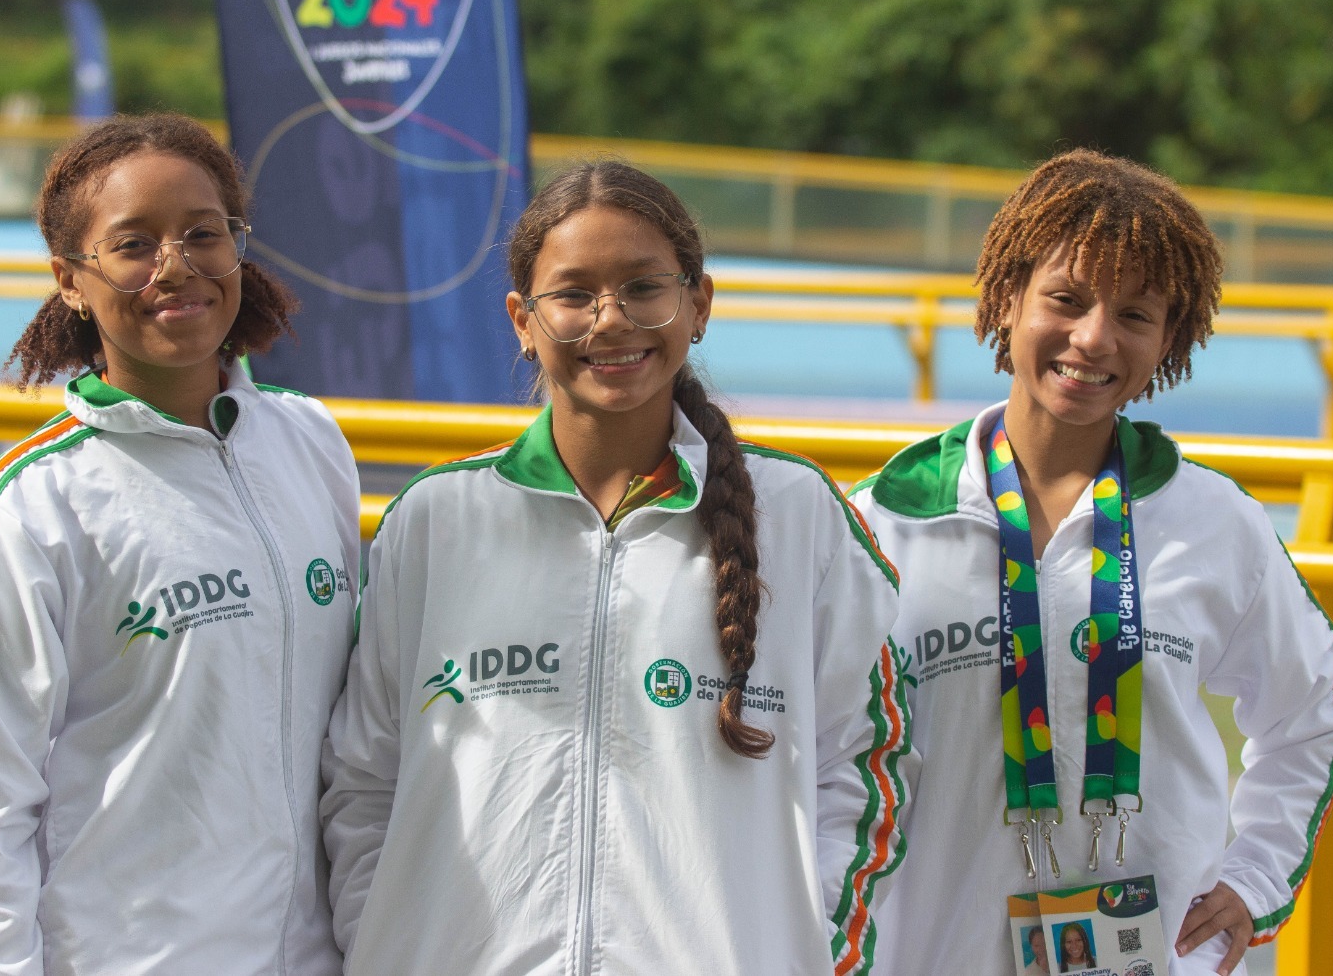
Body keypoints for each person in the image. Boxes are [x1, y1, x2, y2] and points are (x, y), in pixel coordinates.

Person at [321, 160, 909, 974]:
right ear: (522, 320)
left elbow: (868, 768)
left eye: (643, 288)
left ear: (697, 304)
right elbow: (361, 784)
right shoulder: (434, 521)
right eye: (573, 294)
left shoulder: (799, 513)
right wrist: (392, 944)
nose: (610, 321)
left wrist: (804, 952)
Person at [849, 149, 1333, 976]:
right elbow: (820, 753)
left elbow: (1311, 712)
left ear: (1170, 340)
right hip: (937, 950)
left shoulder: (1213, 522)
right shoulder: (886, 520)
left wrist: (1254, 875)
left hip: (1150, 955)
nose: (1093, 338)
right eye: (1066, 299)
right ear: (1007, 298)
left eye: (1134, 314)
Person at [0, 113, 362, 975]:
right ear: (70, 279)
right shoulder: (31, 505)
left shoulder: (311, 443)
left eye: (204, 234)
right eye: (133, 244)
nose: (177, 265)